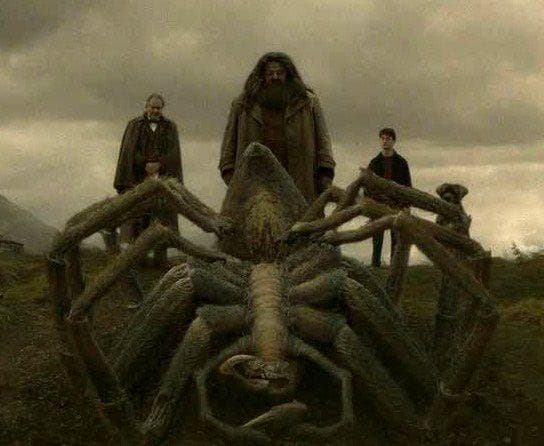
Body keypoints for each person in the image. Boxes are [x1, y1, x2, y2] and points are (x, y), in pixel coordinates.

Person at [218, 52, 336, 202]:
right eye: (270, 73)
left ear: (288, 74)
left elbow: (323, 142)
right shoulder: (244, 104)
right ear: (262, 76)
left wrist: (325, 174)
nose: (275, 77)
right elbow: (229, 146)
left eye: (280, 73)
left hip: (299, 185)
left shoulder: (307, 102)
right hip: (256, 188)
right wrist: (231, 177)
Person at [113, 93, 183, 266]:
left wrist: (159, 164)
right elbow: (129, 151)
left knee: (161, 215)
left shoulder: (170, 127)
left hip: (162, 178)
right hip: (136, 178)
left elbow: (173, 152)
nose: (155, 111)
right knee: (136, 216)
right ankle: (136, 259)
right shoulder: (134, 125)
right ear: (146, 107)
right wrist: (144, 163)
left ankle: (160, 258)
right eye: (152, 107)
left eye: (158, 108)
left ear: (162, 109)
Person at [367, 127, 412, 267]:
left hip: (396, 205)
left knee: (396, 237)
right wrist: (371, 204)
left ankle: (395, 266)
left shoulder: (402, 162)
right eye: (382, 138)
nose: (385, 141)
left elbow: (407, 186)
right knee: (377, 237)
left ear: (394, 141)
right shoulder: (374, 163)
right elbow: (367, 186)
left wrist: (406, 206)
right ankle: (375, 266)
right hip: (378, 204)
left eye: (388, 139)